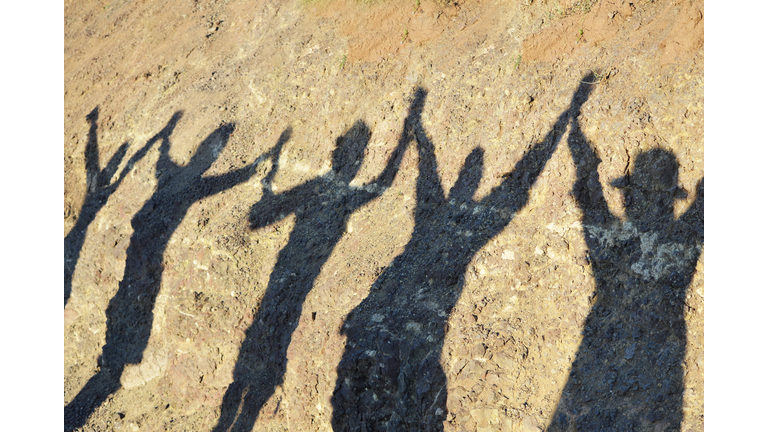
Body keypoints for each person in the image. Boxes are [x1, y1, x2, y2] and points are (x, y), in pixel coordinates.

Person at [331, 83, 586, 431]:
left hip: (415, 333)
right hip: (407, 330)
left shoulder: (459, 220)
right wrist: (418, 131)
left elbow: (518, 183)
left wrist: (563, 122)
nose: (470, 178)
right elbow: (429, 175)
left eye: (473, 174)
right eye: (469, 173)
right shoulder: (439, 217)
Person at [66, 113, 274, 431]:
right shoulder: (179, 177)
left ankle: (96, 387)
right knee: (122, 332)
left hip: (136, 271)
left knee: (121, 333)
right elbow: (214, 180)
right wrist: (254, 166)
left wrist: (167, 137)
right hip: (134, 272)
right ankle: (93, 391)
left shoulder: (174, 175)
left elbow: (193, 170)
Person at [213, 112, 410, 431]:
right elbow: (255, 218)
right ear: (343, 157)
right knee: (250, 366)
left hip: (294, 285)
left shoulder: (332, 192)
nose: (357, 161)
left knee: (258, 368)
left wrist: (402, 141)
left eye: (360, 155)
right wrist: (267, 194)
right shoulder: (319, 189)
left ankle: (241, 417)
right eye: (356, 155)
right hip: (284, 280)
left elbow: (382, 184)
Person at [548, 73, 704, 431]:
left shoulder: (614, 240)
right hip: (657, 387)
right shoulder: (677, 243)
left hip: (602, 377)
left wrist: (579, 150)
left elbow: (590, 205)